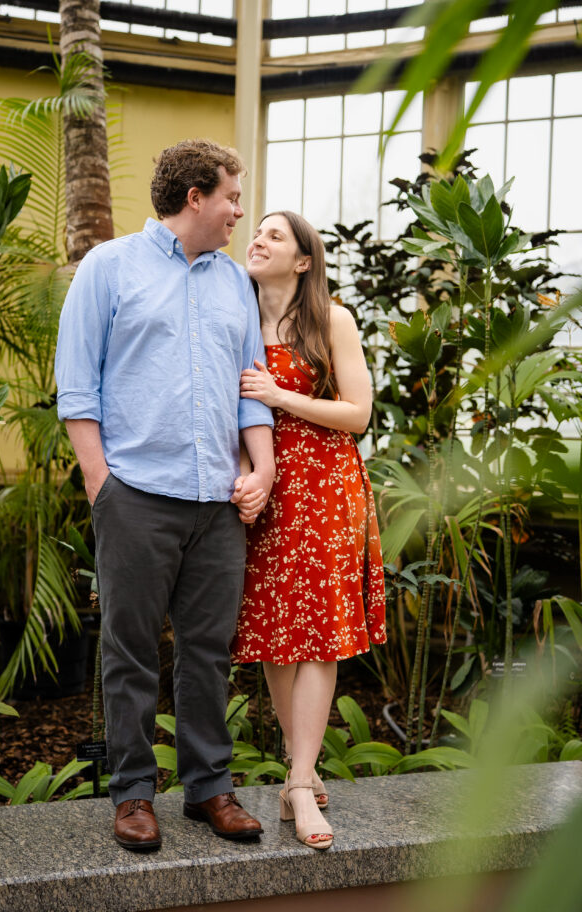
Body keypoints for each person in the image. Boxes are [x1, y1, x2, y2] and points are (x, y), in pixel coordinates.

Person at [55, 139, 275, 852]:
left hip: (217, 501)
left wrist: (260, 470)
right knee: (130, 651)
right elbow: (77, 385)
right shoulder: (109, 266)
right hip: (136, 495)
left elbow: (251, 391)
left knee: (210, 652)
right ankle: (133, 796)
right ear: (196, 199)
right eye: (233, 198)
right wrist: (101, 483)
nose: (240, 211)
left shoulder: (234, 283)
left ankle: (209, 788)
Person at [231, 210, 386, 851]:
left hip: (326, 490)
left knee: (321, 632)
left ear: (302, 261)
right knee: (274, 634)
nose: (256, 239)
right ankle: (304, 766)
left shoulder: (331, 319)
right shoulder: (234, 315)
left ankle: (297, 782)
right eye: (256, 230)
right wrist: (246, 475)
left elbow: (357, 413)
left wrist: (279, 396)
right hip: (263, 493)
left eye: (274, 235)